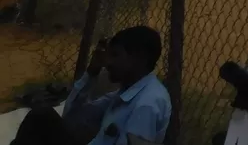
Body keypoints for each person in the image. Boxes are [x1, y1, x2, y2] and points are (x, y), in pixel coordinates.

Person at [16, 25, 171, 145]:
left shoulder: (147, 104)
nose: (107, 63)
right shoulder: (125, 93)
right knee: (42, 118)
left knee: (41, 117)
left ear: (140, 58)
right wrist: (91, 73)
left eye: (115, 55)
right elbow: (72, 118)